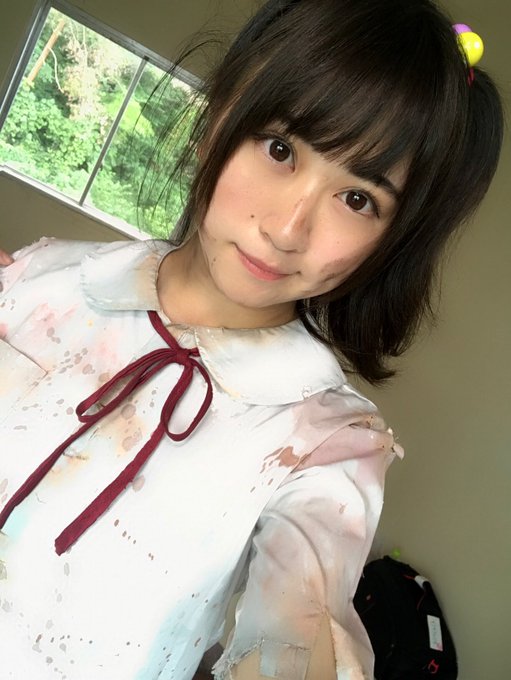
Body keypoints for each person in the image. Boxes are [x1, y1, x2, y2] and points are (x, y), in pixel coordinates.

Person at [0, 1, 503, 679]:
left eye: (358, 199)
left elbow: (299, 628)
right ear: (219, 117)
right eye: (280, 149)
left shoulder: (328, 445)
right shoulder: (39, 277)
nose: (287, 229)